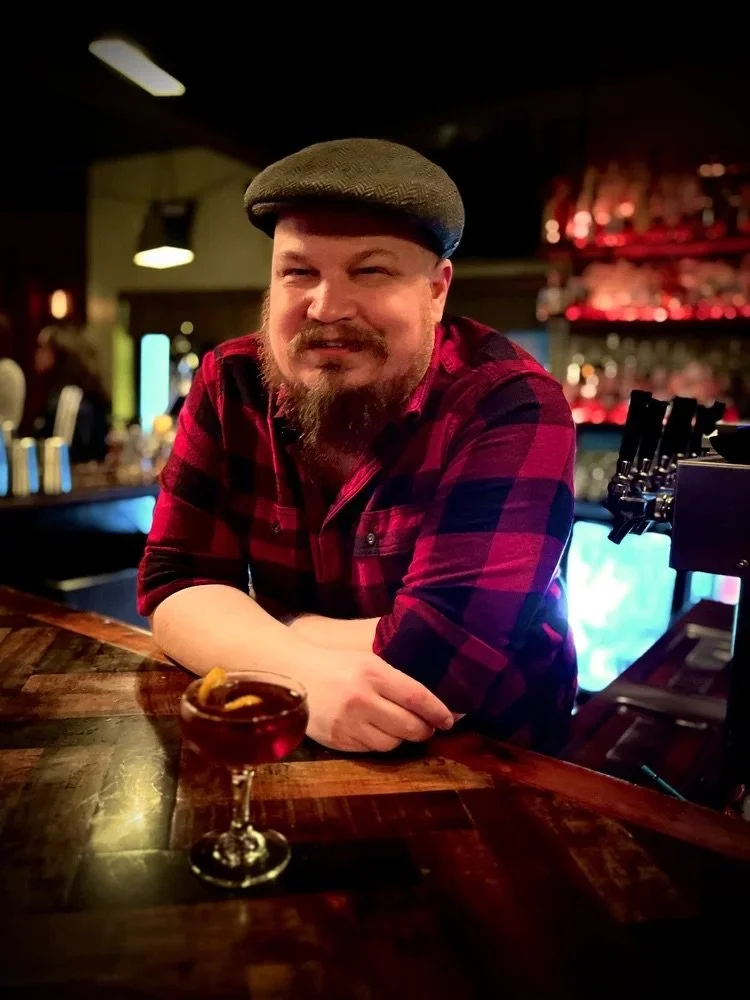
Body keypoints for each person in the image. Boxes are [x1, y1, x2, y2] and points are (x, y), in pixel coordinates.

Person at [138, 138, 577, 754]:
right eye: (299, 272)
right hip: (296, 738)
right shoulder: (228, 381)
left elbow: (438, 657)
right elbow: (174, 587)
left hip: (499, 759)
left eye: (370, 271)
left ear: (436, 290)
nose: (328, 306)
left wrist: (256, 627)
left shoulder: (511, 404)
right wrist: (308, 677)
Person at [23, 325, 111, 462]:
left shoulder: (69, 397)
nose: (36, 353)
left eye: (42, 347)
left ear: (58, 353)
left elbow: (62, 456)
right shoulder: (54, 392)